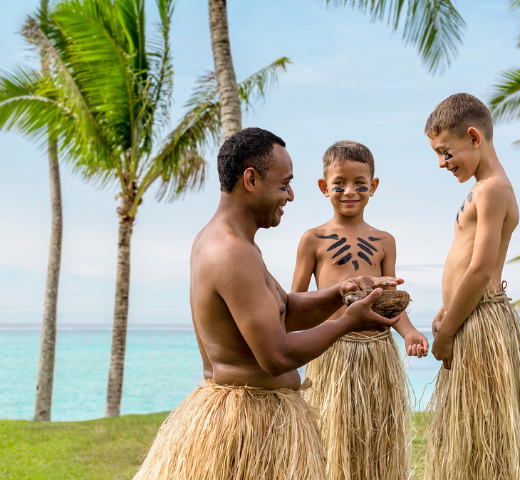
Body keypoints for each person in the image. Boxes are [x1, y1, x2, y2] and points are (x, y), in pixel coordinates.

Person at [132, 128, 401, 480]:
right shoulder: (231, 253)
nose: (290, 195)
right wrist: (348, 322)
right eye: (284, 183)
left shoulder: (233, 243)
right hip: (246, 428)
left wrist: (342, 291)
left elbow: (285, 309)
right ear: (251, 179)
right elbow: (275, 357)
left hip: (258, 417)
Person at [423, 93, 520, 480]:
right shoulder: (482, 188)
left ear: (474, 138)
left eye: (446, 152)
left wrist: (446, 337)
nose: (442, 164)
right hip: (466, 316)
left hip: (478, 321)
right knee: (468, 440)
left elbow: (479, 270)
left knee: (485, 441)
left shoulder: (492, 189)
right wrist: (446, 311)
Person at [291, 140, 428, 480]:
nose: (349, 191)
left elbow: (391, 302)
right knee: (330, 443)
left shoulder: (385, 241)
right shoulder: (314, 239)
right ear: (325, 187)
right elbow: (295, 301)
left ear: (373, 187)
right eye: (339, 184)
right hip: (332, 353)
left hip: (377, 355)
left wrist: (409, 331)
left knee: (375, 443)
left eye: (359, 184)